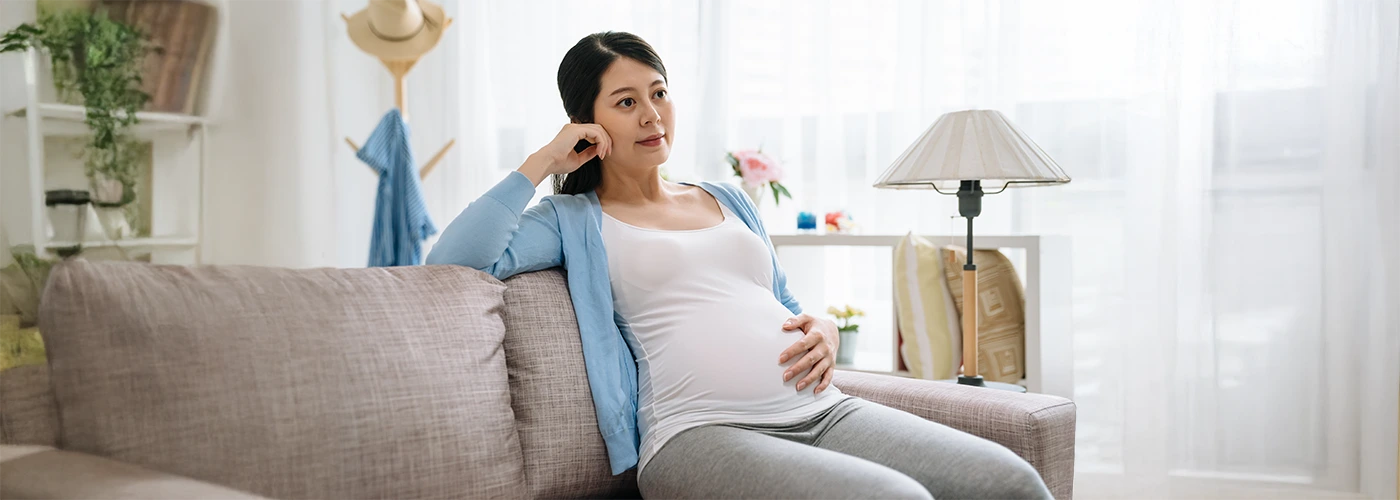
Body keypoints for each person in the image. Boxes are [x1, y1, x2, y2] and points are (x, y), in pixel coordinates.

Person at [426, 31, 1053, 500]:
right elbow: (453, 260)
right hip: (697, 434)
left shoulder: (727, 198)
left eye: (659, 92)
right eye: (625, 101)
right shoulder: (571, 219)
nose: (651, 114)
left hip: (822, 410)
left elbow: (778, 301)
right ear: (587, 122)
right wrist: (540, 162)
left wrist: (823, 326)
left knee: (1009, 481)